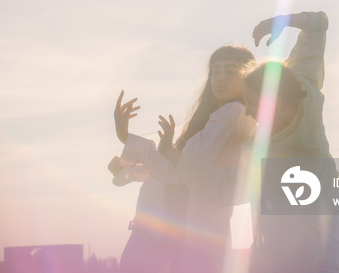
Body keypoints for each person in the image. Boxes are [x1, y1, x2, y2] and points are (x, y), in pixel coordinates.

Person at [158, 10, 339, 273]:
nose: (246, 112)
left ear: (274, 105)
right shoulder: (302, 81)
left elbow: (224, 184)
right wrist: (284, 20)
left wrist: (174, 156)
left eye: (251, 105)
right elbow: (318, 27)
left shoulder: (272, 155)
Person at [109, 44, 256, 273]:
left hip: (180, 232)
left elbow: (181, 169)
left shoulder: (233, 113)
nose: (220, 78)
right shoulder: (217, 115)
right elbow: (178, 169)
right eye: (215, 72)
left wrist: (128, 139)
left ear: (248, 77)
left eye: (230, 71)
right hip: (173, 229)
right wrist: (127, 167)